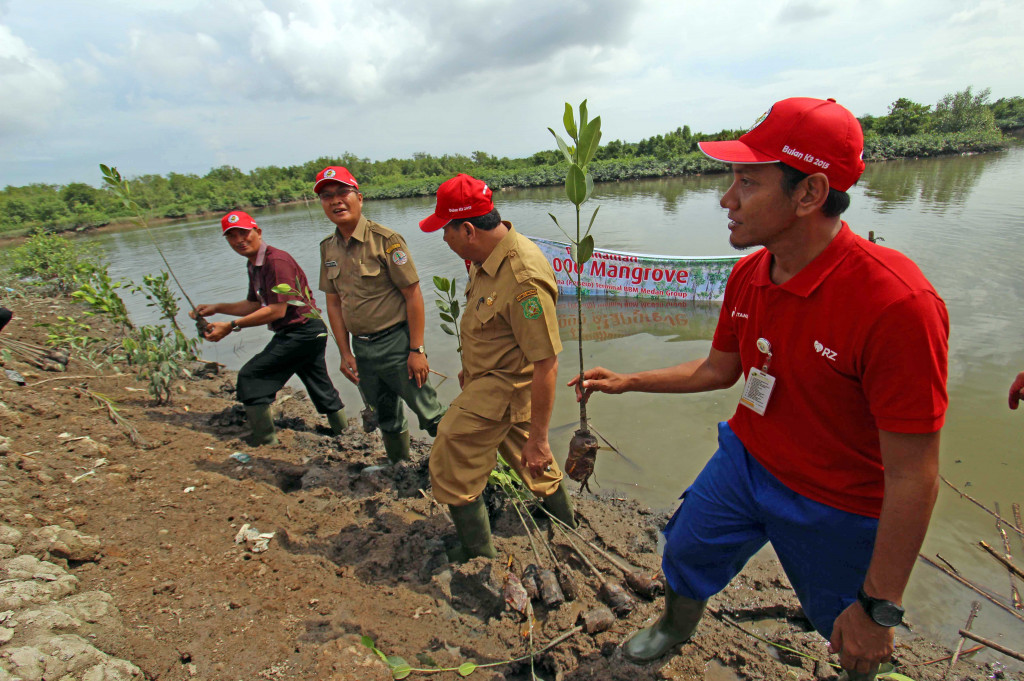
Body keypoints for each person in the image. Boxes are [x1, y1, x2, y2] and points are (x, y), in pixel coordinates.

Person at [570, 98, 948, 679]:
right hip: (748, 463)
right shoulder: (751, 272)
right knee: (687, 550)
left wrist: (880, 607)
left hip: (840, 500)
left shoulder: (897, 304)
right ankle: (674, 626)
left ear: (809, 194)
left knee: (848, 627)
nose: (726, 198)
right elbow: (722, 370)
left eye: (747, 180)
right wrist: (629, 381)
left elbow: (912, 475)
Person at [420, 173, 576, 562]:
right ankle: (568, 526)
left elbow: (547, 362)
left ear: (469, 229)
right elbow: (495, 331)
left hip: (503, 387)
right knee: (531, 462)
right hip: (492, 380)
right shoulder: (484, 257)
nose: (443, 239)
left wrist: (541, 437)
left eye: (445, 230)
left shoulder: (523, 277)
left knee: (451, 454)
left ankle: (477, 555)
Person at [315, 166, 445, 462]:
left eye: (342, 193)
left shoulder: (386, 240)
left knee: (431, 413)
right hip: (362, 349)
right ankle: (399, 467)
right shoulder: (327, 248)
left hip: (397, 345)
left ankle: (478, 477)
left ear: (359, 198)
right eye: (327, 196)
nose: (335, 201)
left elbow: (412, 294)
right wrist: (345, 353)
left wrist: (417, 349)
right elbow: (333, 303)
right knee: (385, 414)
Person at [191, 211, 347, 445]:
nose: (239, 240)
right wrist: (217, 308)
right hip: (307, 330)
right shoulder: (254, 263)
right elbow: (254, 304)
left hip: (302, 331)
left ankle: (265, 440)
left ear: (258, 232)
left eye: (244, 233)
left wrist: (231, 326)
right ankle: (343, 434)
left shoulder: (276, 261)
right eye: (232, 236)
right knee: (319, 383)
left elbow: (276, 311)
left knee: (251, 376)